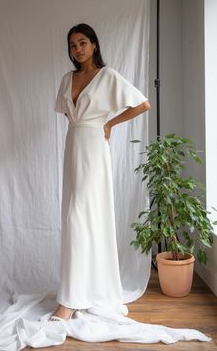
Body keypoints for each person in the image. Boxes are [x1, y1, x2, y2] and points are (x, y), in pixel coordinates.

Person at [50, 23, 150, 321]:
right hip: (74, 145)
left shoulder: (107, 76)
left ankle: (69, 300)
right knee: (74, 217)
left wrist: (108, 124)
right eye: (72, 45)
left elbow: (142, 104)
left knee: (80, 215)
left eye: (82, 42)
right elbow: (69, 114)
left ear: (94, 44)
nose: (77, 49)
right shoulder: (68, 78)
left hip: (94, 147)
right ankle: (82, 288)